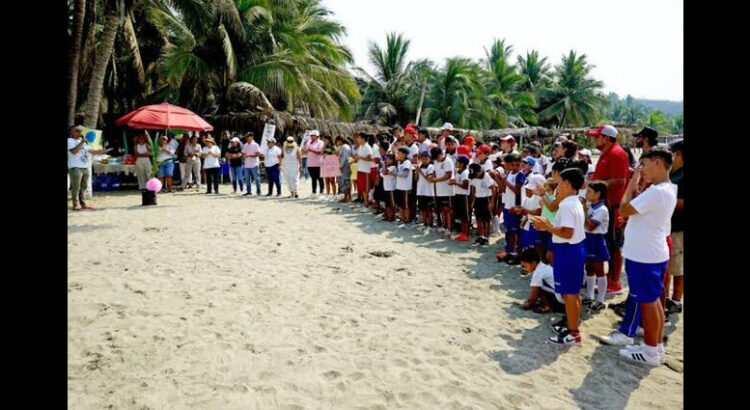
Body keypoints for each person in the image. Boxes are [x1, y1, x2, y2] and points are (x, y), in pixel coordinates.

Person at [616, 147, 677, 366]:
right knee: (654, 302)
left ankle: (651, 351)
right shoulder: (666, 189)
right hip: (652, 252)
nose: (642, 169)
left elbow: (623, 209)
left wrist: (632, 180)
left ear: (658, 163)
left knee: (648, 302)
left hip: (644, 255)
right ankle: (655, 346)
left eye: (644, 164)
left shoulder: (657, 191)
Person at [531, 168, 587, 345]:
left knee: (569, 294)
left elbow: (567, 232)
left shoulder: (567, 205)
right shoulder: (574, 202)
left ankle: (573, 333)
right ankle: (572, 325)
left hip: (567, 250)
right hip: (572, 249)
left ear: (568, 184)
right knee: (572, 293)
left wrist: (547, 227)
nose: (557, 187)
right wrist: (547, 226)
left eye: (560, 183)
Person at [588, 124, 630, 295]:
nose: (595, 139)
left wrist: (599, 185)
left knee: (613, 244)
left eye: (597, 137)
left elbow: (621, 179)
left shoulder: (617, 153)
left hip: (613, 205)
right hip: (605, 203)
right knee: (608, 243)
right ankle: (608, 278)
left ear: (606, 138)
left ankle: (615, 281)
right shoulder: (609, 153)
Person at [583, 181, 610, 311]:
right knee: (589, 267)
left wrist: (584, 210)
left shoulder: (602, 209)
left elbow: (591, 226)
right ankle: (589, 296)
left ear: (598, 194)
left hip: (596, 239)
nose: (586, 194)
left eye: (589, 191)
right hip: (587, 238)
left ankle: (600, 299)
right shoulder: (591, 206)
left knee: (599, 268)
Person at [68, 125, 107, 210]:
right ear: (71, 133)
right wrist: (82, 142)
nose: (79, 132)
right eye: (76, 131)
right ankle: (75, 204)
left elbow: (91, 151)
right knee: (76, 187)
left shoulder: (84, 142)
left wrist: (101, 151)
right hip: (75, 166)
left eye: (79, 131)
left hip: (85, 167)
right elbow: (74, 151)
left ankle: (83, 203)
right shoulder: (69, 141)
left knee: (84, 186)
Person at [666, 139, 684, 315]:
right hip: (668, 224)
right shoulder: (672, 172)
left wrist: (667, 200)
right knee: (668, 265)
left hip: (679, 226)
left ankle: (676, 300)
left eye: (675, 153)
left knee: (678, 267)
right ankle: (666, 298)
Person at [519, 248, 565, 314]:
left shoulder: (538, 273)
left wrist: (528, 303)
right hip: (565, 297)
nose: (524, 268)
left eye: (525, 266)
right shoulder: (544, 266)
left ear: (534, 263)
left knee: (538, 287)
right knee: (540, 285)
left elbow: (534, 295)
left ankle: (547, 306)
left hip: (561, 303)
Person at [429, 146, 455, 238]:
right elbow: (435, 173)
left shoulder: (448, 161)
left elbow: (448, 175)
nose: (436, 159)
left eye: (437, 156)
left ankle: (449, 228)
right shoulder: (436, 161)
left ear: (440, 154)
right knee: (442, 210)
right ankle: (444, 226)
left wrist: (436, 180)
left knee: (448, 210)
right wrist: (433, 179)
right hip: (439, 189)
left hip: (447, 190)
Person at [469, 163, 496, 247]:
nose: (476, 176)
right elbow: (473, 189)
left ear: (480, 171)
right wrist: (473, 201)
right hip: (478, 199)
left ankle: (486, 238)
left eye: (476, 174)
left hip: (486, 198)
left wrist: (492, 202)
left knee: (486, 219)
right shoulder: (473, 176)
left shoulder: (486, 176)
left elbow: (493, 188)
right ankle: (480, 236)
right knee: (478, 218)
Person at [449, 155, 472, 242]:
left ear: (462, 164)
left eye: (457, 162)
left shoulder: (465, 172)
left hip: (464, 196)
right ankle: (463, 233)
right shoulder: (459, 171)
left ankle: (466, 234)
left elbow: (465, 186)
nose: (455, 163)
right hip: (458, 195)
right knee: (461, 216)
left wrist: (455, 183)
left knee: (465, 216)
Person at [415, 151, 435, 231]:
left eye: (426, 159)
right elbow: (416, 179)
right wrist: (416, 172)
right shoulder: (419, 165)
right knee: (422, 209)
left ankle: (430, 224)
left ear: (430, 159)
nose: (424, 160)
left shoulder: (431, 167)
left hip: (429, 191)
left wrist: (421, 172)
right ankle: (424, 224)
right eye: (422, 158)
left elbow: (429, 179)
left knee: (429, 209)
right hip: (420, 190)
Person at [352, 133, 374, 206]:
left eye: (359, 138)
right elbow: (358, 157)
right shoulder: (361, 146)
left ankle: (366, 204)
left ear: (363, 139)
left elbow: (370, 158)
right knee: (361, 188)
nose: (357, 139)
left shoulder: (367, 147)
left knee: (366, 189)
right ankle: (364, 203)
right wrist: (355, 158)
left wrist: (360, 158)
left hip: (365, 170)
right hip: (360, 169)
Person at [395, 146, 414, 225]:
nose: (397, 154)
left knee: (406, 204)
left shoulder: (407, 162)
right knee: (400, 204)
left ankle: (407, 219)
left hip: (405, 187)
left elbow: (405, 174)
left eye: (399, 153)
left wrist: (395, 173)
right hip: (399, 186)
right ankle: (402, 218)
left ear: (403, 154)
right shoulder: (400, 162)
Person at [303, 130, 325, 195]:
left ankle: (321, 191)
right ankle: (314, 191)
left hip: (318, 163)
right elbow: (305, 151)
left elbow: (320, 152)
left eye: (313, 135)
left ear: (317, 136)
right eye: (311, 135)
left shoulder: (320, 142)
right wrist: (304, 147)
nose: (311, 137)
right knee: (313, 178)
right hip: (310, 163)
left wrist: (310, 150)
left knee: (320, 178)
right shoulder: (309, 142)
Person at [335, 136, 353, 203]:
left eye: (337, 141)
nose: (336, 143)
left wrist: (341, 166)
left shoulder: (344, 147)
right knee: (346, 181)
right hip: (346, 165)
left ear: (340, 141)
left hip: (345, 166)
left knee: (345, 181)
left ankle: (347, 197)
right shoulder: (345, 146)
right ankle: (347, 197)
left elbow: (344, 157)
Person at [381, 153, 398, 222]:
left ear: (391, 160)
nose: (386, 160)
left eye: (387, 159)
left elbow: (385, 172)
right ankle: (388, 215)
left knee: (391, 203)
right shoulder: (388, 166)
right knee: (387, 202)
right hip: (386, 187)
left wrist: (383, 165)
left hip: (391, 187)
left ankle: (392, 216)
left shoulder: (393, 167)